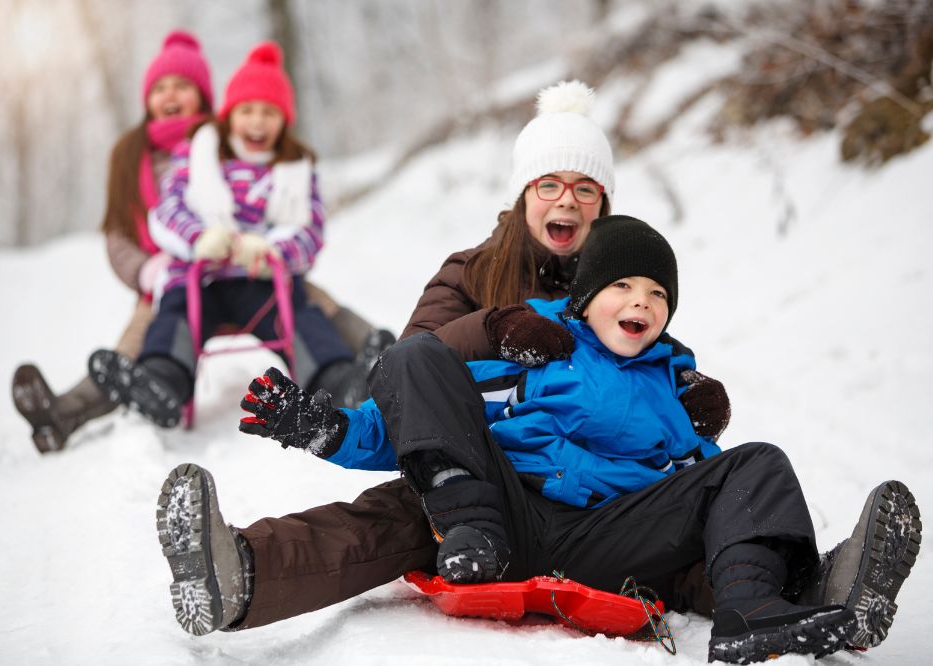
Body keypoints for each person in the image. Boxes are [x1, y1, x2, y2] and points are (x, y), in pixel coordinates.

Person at [153, 82, 732, 634]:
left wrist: (691, 389)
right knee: (404, 511)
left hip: (604, 499)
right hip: (484, 483)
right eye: (549, 183)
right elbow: (411, 375)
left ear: (602, 203)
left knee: (692, 529)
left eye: (586, 188)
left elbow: (655, 372)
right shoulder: (472, 272)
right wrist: (493, 327)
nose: (568, 200)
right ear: (525, 192)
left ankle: (793, 586)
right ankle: (242, 573)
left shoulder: (629, 285)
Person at [238, 216, 921, 662]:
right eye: (621, 284)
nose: (640, 302)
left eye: (657, 294)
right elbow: (425, 423)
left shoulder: (671, 385)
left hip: (609, 534)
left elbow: (712, 491)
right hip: (503, 513)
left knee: (757, 466)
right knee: (416, 359)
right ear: (585, 297)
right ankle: (469, 527)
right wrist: (328, 432)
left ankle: (755, 613)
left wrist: (748, 522)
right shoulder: (540, 345)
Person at [87, 42, 378, 428]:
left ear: (283, 120)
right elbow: (167, 209)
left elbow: (310, 230)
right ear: (228, 117)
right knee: (172, 318)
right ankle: (162, 384)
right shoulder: (196, 157)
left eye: (268, 112)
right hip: (200, 279)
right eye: (247, 111)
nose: (257, 122)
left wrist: (271, 250)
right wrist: (198, 239)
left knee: (303, 316)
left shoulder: (291, 170)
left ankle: (336, 382)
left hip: (257, 279)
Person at [11, 30, 215, 452]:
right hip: (166, 281)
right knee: (136, 341)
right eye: (160, 87)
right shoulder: (129, 155)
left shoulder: (222, 142)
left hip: (229, 269)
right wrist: (146, 269)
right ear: (147, 98)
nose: (169, 94)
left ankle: (364, 361)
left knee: (309, 303)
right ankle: (62, 413)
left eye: (181, 85)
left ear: (203, 95)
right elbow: (118, 232)